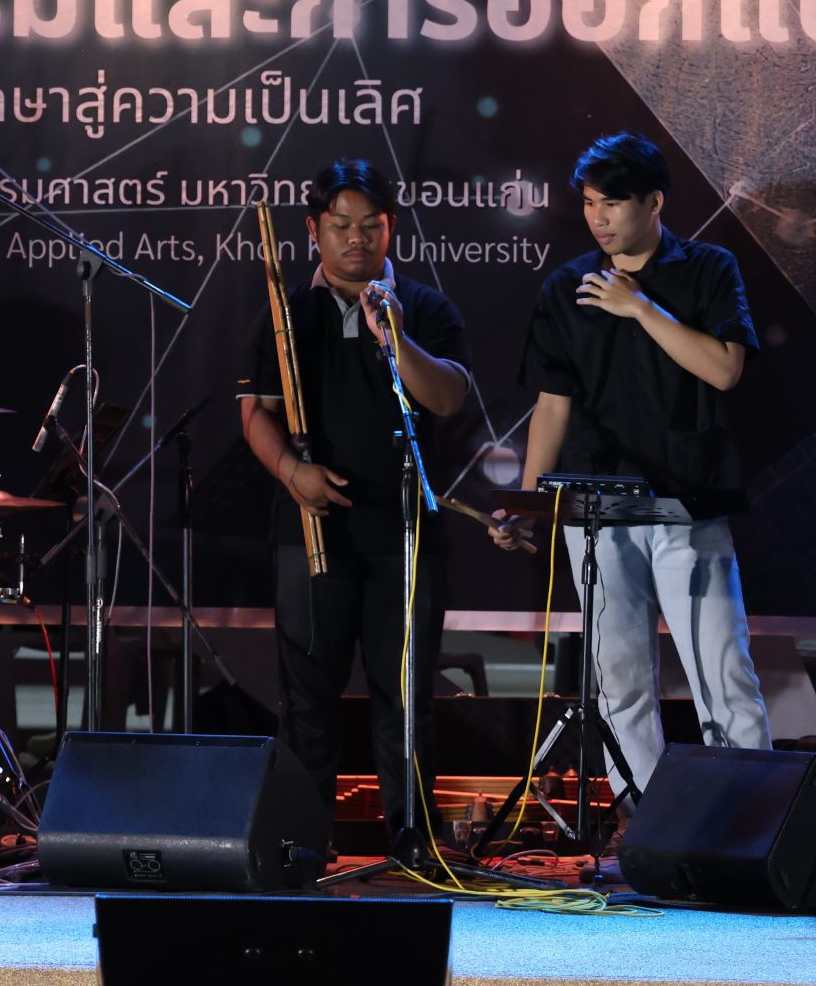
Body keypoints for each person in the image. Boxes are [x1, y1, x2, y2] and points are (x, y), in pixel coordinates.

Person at [500, 132, 767, 799]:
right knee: (618, 677)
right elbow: (551, 406)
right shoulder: (567, 287)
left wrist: (640, 307)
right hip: (596, 508)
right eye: (590, 203)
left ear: (654, 202)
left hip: (689, 502)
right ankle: (642, 815)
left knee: (721, 673)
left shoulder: (708, 268)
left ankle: (750, 821)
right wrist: (530, 501)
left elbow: (725, 370)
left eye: (613, 203)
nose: (598, 218)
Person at [238, 159, 471, 855]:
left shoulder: (425, 308)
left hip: (404, 531)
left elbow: (447, 398)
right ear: (314, 230)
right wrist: (293, 473)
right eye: (341, 225)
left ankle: (412, 842)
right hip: (309, 528)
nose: (358, 238)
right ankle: (304, 843)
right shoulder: (286, 313)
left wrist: (392, 335)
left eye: (372, 225)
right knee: (308, 696)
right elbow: (256, 413)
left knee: (405, 695)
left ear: (391, 227)